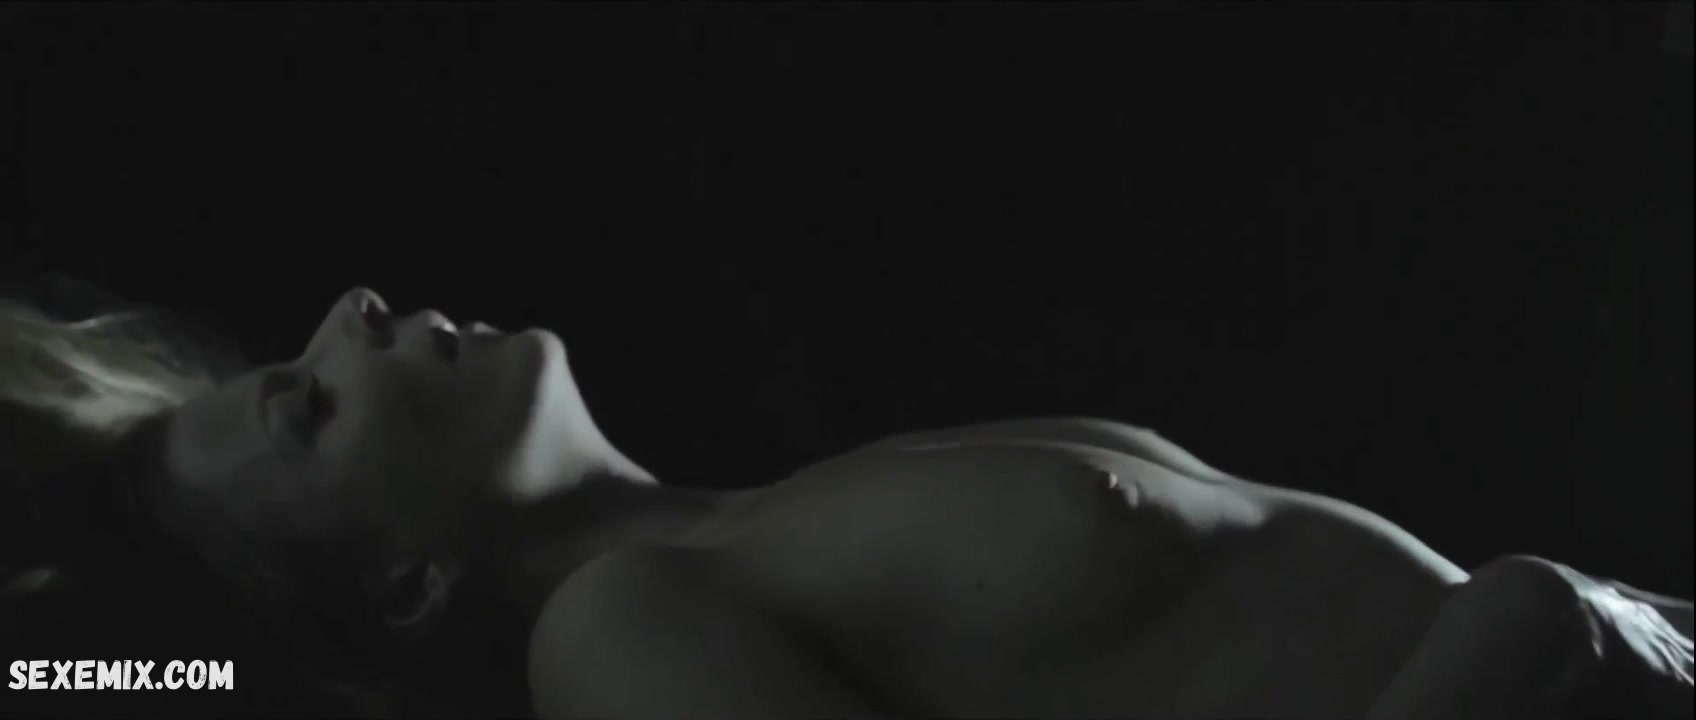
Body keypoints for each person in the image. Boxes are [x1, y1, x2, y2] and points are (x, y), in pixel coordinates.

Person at [2, 282, 1690, 720]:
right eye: (307, 404)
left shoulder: (773, 517)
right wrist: (1528, 647)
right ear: (406, 587)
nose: (349, 309)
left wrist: (1611, 633)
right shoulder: (617, 639)